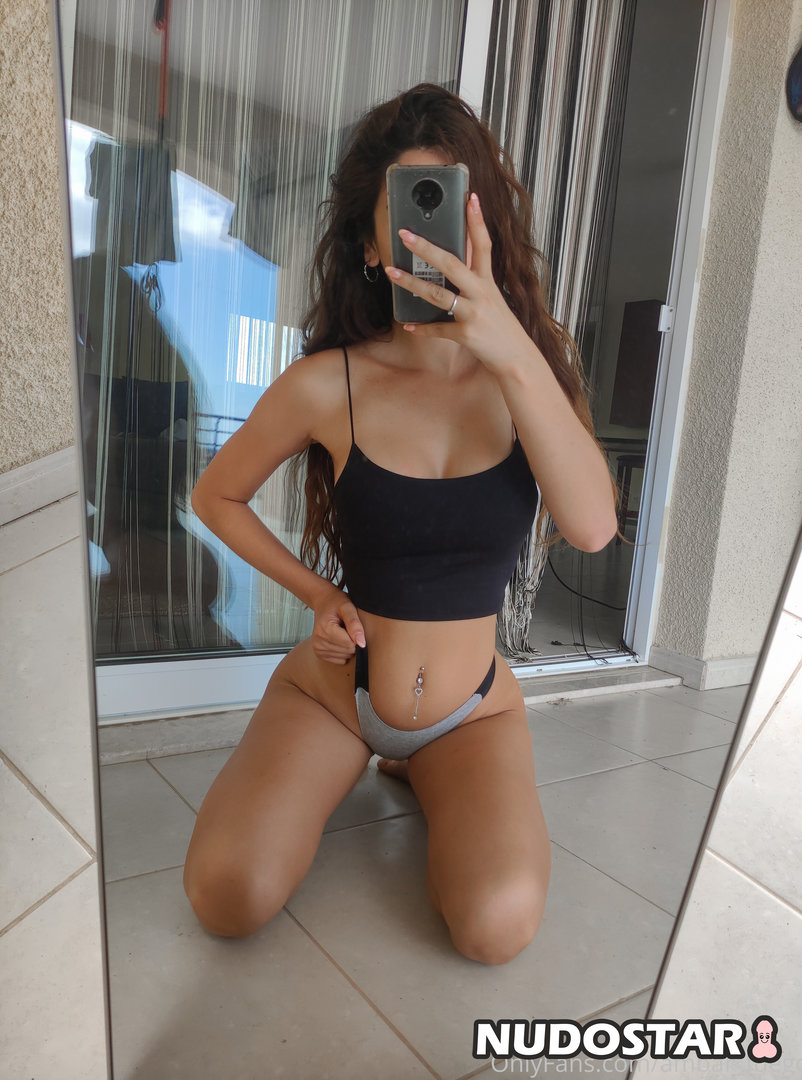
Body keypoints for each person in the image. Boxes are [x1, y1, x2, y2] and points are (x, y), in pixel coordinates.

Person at [183, 84, 617, 966]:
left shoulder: (531, 373)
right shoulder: (330, 382)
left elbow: (592, 528)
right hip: (335, 694)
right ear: (370, 243)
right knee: (227, 896)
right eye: (406, 217)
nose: (427, 240)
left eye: (446, 209)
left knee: (495, 928)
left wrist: (507, 345)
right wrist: (317, 594)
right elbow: (214, 496)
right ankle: (382, 758)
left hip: (470, 708)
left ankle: (422, 765)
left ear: (481, 224)